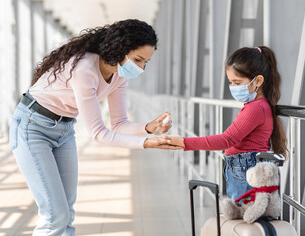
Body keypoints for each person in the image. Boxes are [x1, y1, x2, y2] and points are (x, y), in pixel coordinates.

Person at [9, 19, 180, 236]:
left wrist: (148, 128)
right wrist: (146, 143)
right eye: (138, 59)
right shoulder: (84, 69)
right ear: (120, 49)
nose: (141, 68)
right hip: (32, 127)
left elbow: (119, 123)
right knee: (55, 214)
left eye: (146, 62)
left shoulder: (120, 75)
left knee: (67, 213)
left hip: (64, 130)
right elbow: (99, 133)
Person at [165, 46, 287, 200]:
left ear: (258, 81)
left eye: (237, 82)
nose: (233, 88)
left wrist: (184, 142)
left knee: (243, 216)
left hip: (245, 170)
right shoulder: (258, 105)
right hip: (244, 167)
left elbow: (227, 140)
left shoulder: (256, 108)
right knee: (242, 215)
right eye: (231, 82)